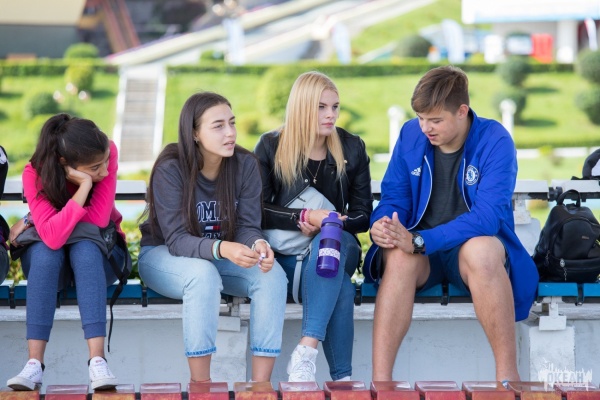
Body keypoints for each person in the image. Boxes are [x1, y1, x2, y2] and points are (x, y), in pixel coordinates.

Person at [367, 66, 538, 383]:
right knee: (399, 257)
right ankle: (381, 384)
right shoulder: (410, 134)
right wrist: (383, 224)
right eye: (420, 118)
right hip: (421, 257)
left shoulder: (495, 139)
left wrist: (421, 241)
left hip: (469, 257)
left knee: (482, 250)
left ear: (462, 111)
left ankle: (507, 380)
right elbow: (394, 197)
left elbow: (487, 218)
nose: (425, 128)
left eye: (435, 120)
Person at [138, 91, 287, 383]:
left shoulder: (245, 165)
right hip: (164, 255)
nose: (230, 132)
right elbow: (177, 240)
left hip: (218, 256)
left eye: (232, 123)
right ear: (194, 133)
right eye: (218, 126)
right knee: (201, 275)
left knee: (271, 276)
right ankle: (201, 387)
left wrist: (258, 244)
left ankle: (260, 387)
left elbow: (247, 226)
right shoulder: (171, 168)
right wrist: (223, 248)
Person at [254, 71, 373, 382]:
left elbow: (363, 215)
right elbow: (256, 210)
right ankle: (342, 381)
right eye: (321, 107)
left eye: (335, 106)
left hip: (340, 247)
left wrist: (331, 222)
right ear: (302, 107)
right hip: (287, 257)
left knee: (329, 241)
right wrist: (304, 217)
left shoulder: (352, 147)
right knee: (340, 284)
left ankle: (306, 349)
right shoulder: (270, 146)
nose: (331, 114)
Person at [7, 114, 126, 391]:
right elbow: (51, 239)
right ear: (64, 163)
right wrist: (84, 188)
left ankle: (98, 361)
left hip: (103, 256)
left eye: (105, 162)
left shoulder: (106, 150)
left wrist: (46, 221)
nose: (105, 171)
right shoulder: (34, 173)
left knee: (85, 249)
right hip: (53, 265)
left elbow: (97, 221)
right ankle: (34, 365)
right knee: (46, 253)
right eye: (94, 168)